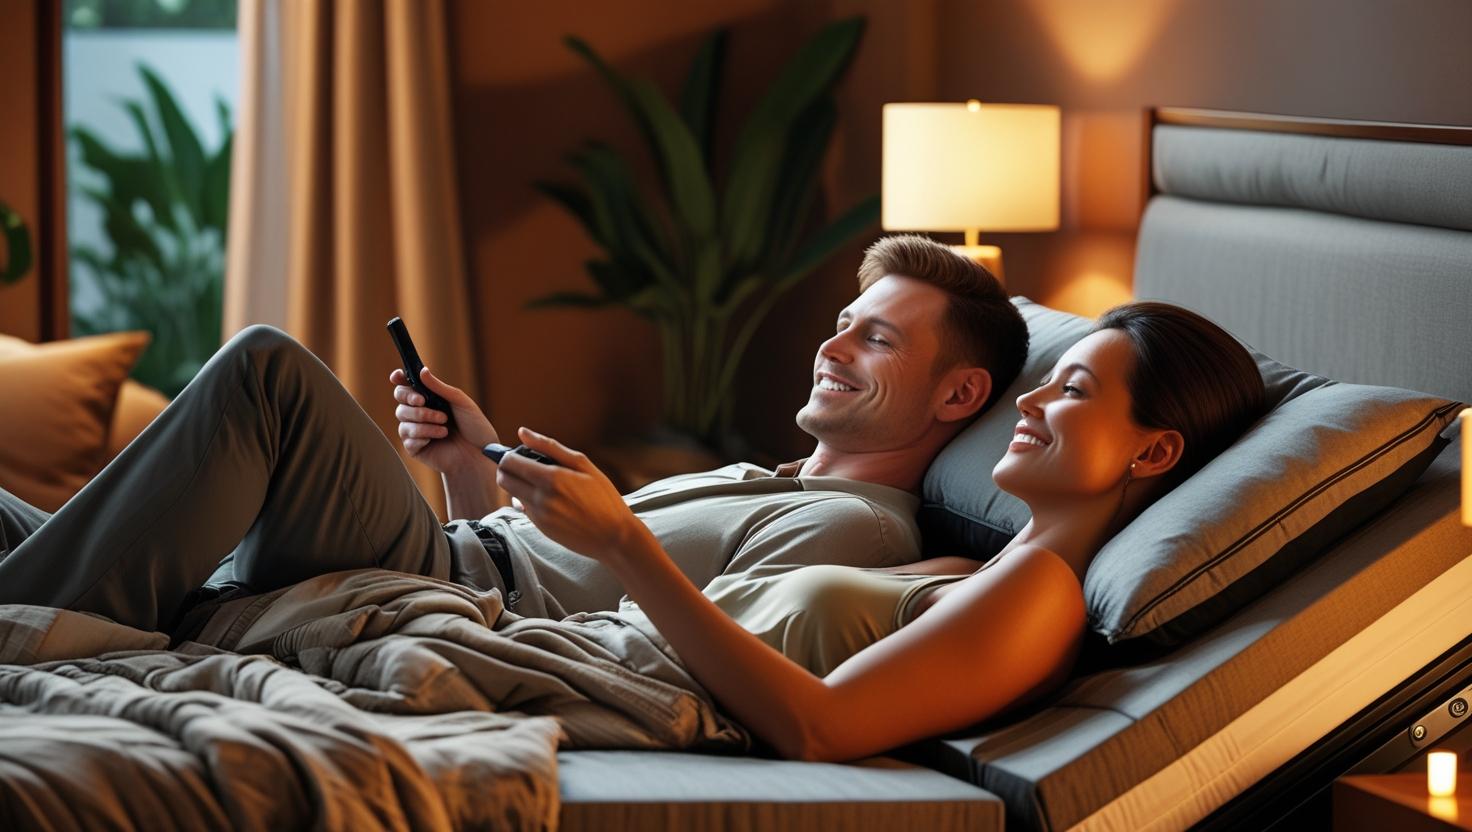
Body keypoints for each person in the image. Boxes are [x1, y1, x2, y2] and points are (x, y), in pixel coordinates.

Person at [0, 235, 1027, 634]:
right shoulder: (779, 477)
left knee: (268, 373)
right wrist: (464, 464)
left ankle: (27, 626)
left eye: (877, 338)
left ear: (956, 396)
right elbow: (548, 567)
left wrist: (590, 533)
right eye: (843, 321)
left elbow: (678, 652)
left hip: (435, 583)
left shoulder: (859, 531)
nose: (832, 345)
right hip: (453, 548)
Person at [481, 300, 1267, 761]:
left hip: (625, 688)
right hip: (575, 646)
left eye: (1074, 392)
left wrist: (625, 542)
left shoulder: (1042, 599)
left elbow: (820, 726)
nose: (1028, 404)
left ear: (1153, 449)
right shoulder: (971, 568)